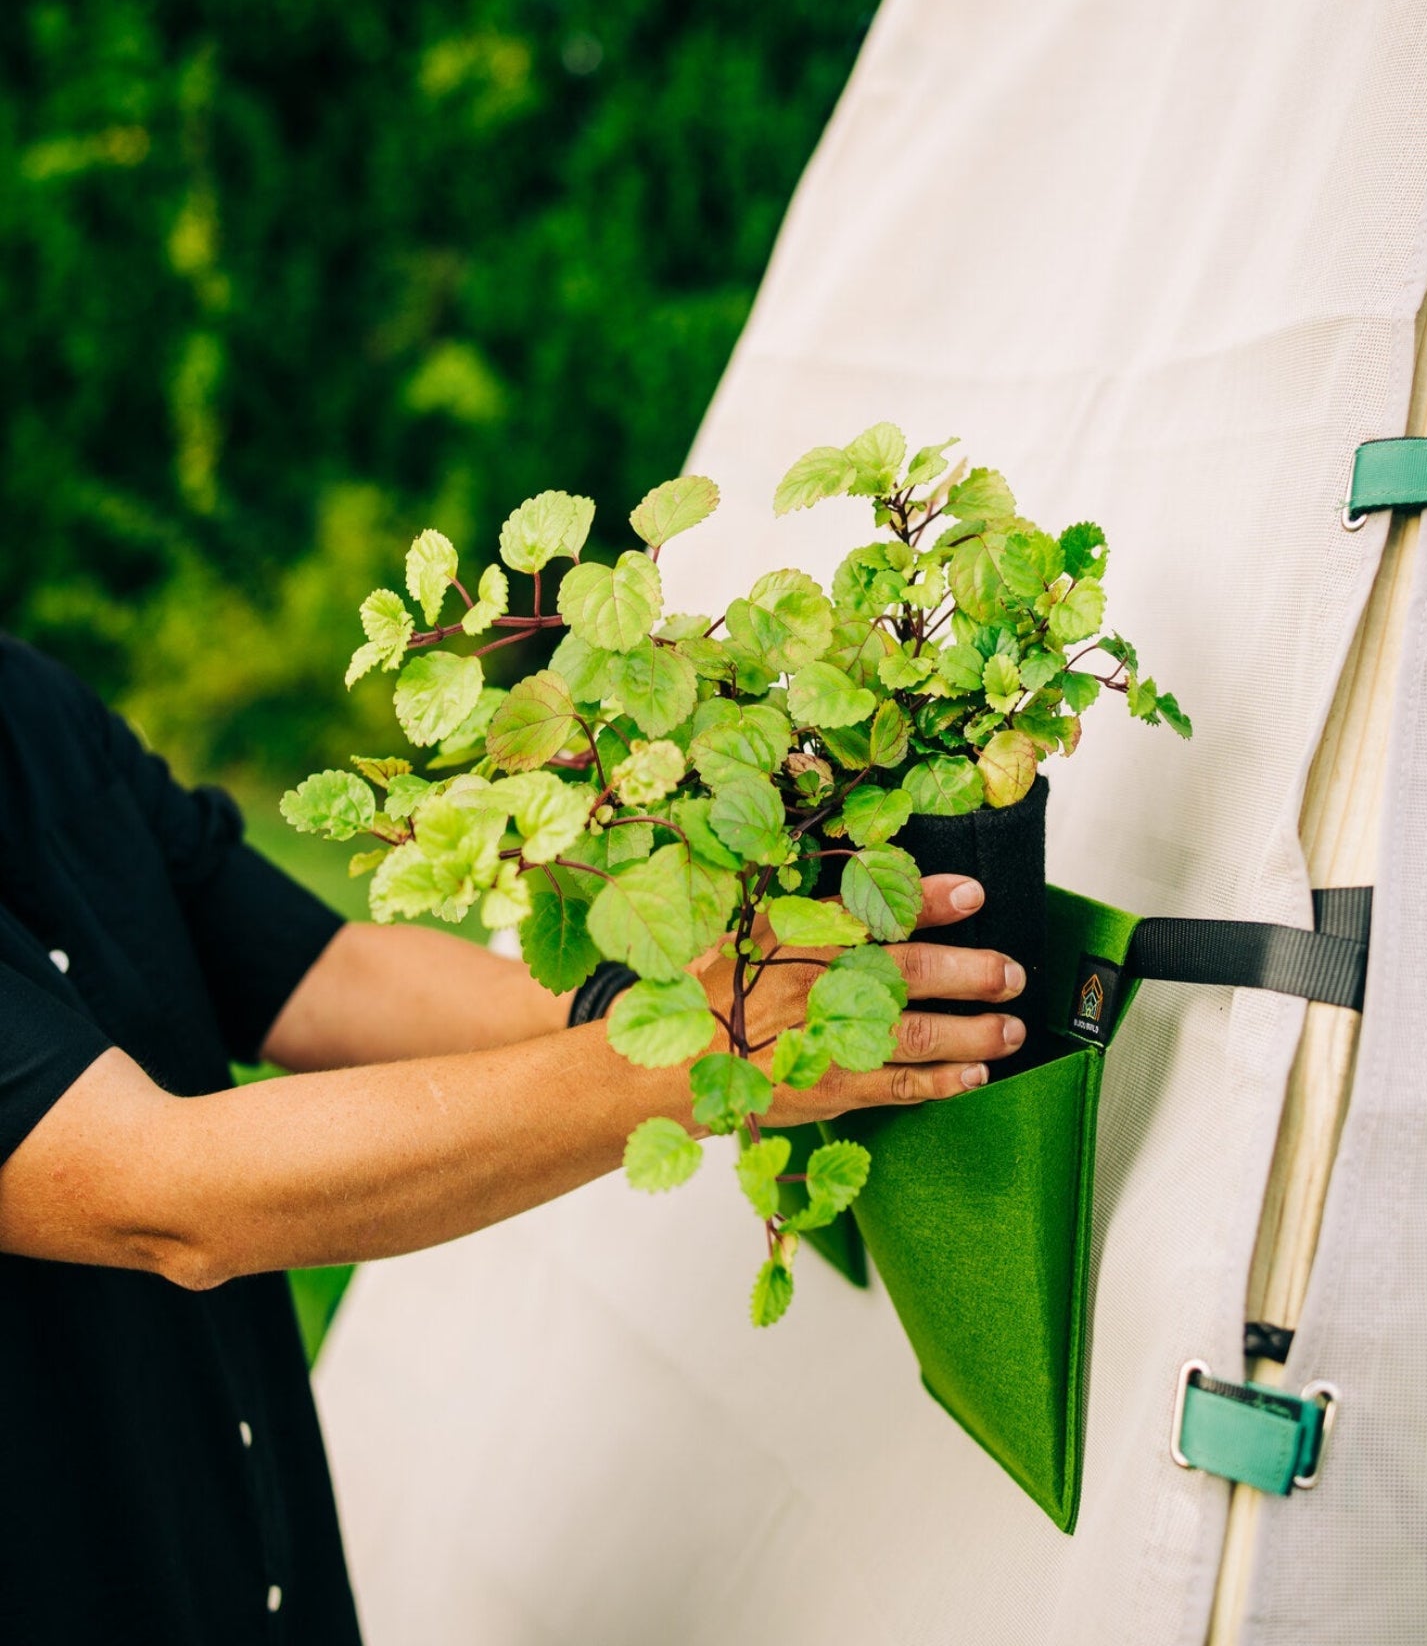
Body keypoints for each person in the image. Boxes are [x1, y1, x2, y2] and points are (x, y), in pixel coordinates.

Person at [0, 635, 1029, 1645]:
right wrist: (701, 1053)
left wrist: (659, 994)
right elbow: (162, 1192)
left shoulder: (28, 703)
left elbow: (318, 973)